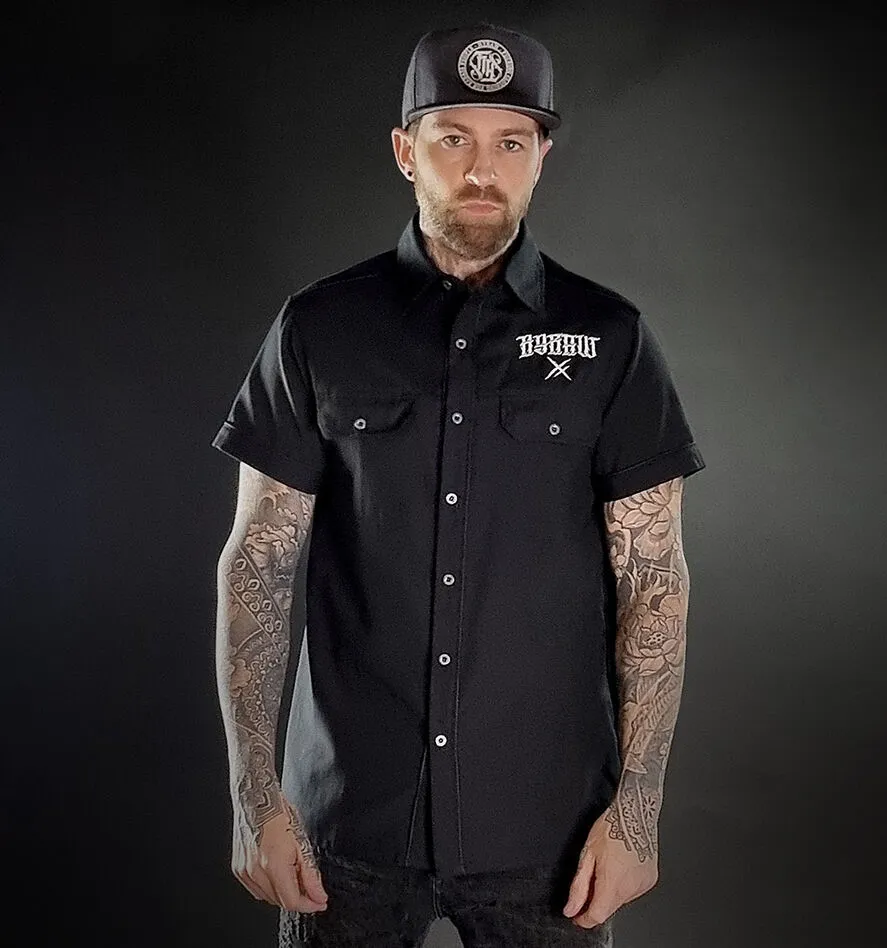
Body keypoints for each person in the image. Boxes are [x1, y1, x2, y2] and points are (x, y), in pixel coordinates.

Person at [211, 20, 706, 948]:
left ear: (541, 158)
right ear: (407, 152)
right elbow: (258, 565)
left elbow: (654, 583)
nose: (483, 169)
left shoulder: (611, 338)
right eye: (453, 139)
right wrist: (253, 794)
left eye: (512, 142)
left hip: (551, 831)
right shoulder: (319, 328)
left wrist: (638, 811)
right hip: (345, 827)